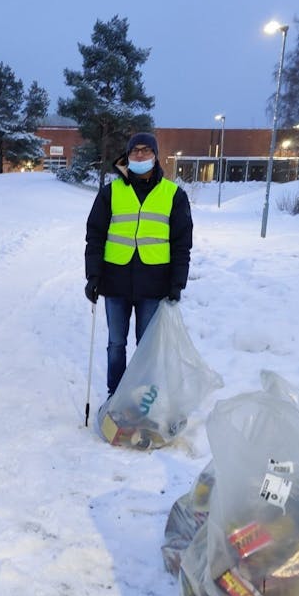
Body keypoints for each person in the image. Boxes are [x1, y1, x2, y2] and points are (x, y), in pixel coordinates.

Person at [84, 132, 193, 399]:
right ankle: (116, 397)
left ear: (155, 156)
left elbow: (182, 244)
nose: (140, 154)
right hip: (115, 281)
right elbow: (95, 236)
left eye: (146, 150)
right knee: (116, 344)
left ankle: (142, 399)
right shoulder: (111, 193)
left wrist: (177, 283)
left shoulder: (174, 195)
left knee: (147, 347)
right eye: (135, 150)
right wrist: (93, 276)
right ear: (128, 155)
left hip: (154, 284)